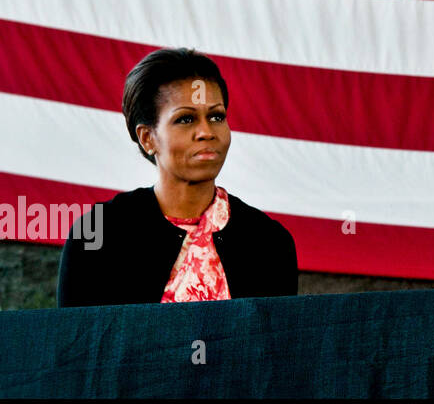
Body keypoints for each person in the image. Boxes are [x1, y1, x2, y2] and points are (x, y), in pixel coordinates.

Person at [57, 48, 298, 306]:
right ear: (148, 138)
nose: (206, 132)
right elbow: (77, 344)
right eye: (186, 119)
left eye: (216, 116)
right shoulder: (97, 233)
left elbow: (276, 346)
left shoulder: (270, 243)